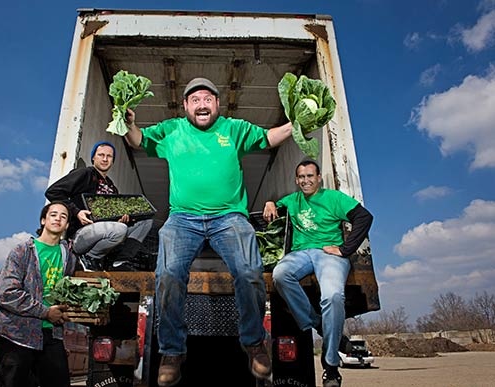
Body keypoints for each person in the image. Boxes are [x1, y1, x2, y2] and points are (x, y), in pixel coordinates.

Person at [123, 77, 293, 386]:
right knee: (169, 274)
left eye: (208, 99)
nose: (202, 104)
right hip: (183, 219)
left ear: (217, 104)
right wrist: (129, 123)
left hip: (229, 217)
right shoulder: (171, 130)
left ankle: (254, 343)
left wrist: (300, 122)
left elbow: (270, 137)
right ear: (186, 105)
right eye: (195, 100)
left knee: (248, 271)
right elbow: (138, 141)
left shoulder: (234, 129)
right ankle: (173, 351)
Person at [263, 159, 374, 387]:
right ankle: (316, 323)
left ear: (319, 177)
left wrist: (345, 249)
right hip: (301, 254)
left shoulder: (333, 198)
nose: (305, 181)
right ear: (296, 180)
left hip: (329, 254)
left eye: (310, 176)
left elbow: (364, 217)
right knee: (281, 275)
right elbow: (275, 206)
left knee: (333, 297)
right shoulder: (293, 200)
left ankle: (331, 367)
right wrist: (269, 203)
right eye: (301, 177)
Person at [0, 201, 78, 387]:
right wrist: (45, 312)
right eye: (53, 214)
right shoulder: (22, 251)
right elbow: (6, 293)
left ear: (67, 225)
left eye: (63, 216)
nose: (58, 218)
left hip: (50, 333)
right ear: (43, 220)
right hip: (17, 332)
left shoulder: (69, 257)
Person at [45, 140, 153, 271]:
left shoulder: (112, 187)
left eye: (109, 156)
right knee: (119, 229)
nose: (105, 159)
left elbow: (110, 220)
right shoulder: (85, 174)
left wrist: (119, 219)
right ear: (93, 157)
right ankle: (89, 257)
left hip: (105, 232)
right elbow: (53, 192)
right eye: (101, 155)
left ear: (113, 161)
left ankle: (119, 261)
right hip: (81, 235)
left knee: (145, 221)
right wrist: (77, 212)